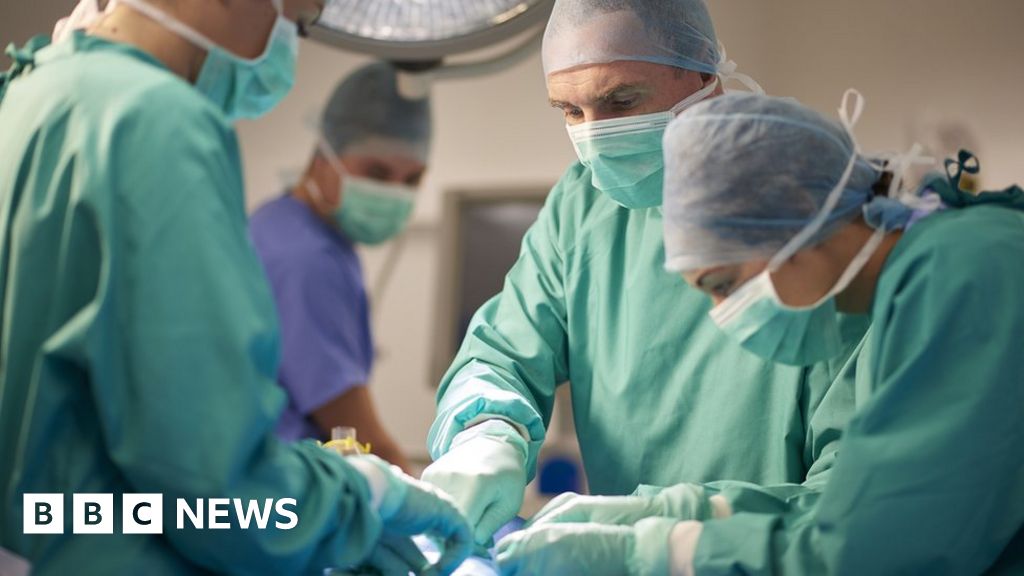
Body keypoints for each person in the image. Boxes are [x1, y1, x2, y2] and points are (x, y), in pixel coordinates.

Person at [0, 0, 470, 574]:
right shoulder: (159, 121)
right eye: (298, 22)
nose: (290, 45)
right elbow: (220, 495)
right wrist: (361, 494)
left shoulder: (34, 89)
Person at [495, 92, 1024, 575]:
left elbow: (879, 552)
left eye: (723, 283)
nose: (723, 314)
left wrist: (656, 553)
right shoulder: (918, 284)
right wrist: (680, 511)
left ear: (799, 220)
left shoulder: (968, 274)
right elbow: (851, 507)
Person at [421, 0, 868, 554]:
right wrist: (486, 436)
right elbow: (504, 351)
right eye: (569, 111)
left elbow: (857, 504)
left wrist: (662, 540)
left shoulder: (808, 210)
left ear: (704, 74)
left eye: (620, 100)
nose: (594, 138)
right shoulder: (584, 206)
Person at [250, 61, 431, 472]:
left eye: (413, 179)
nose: (394, 192)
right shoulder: (306, 259)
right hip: (279, 496)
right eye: (377, 171)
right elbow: (356, 436)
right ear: (323, 159)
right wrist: (426, 508)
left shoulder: (277, 224)